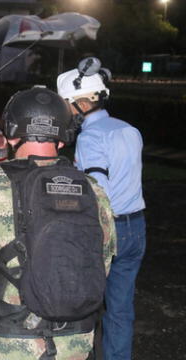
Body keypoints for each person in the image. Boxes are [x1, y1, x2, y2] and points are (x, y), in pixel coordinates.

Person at [0, 87, 117, 360]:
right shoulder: (93, 190)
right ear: (62, 139)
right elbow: (101, 263)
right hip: (76, 341)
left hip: (10, 343)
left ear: (10, 135)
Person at [58, 59, 146, 360]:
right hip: (137, 228)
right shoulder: (129, 130)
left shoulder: (90, 137)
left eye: (68, 105)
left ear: (82, 103)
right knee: (121, 309)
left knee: (84, 304)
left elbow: (100, 191)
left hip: (109, 229)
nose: (67, 112)